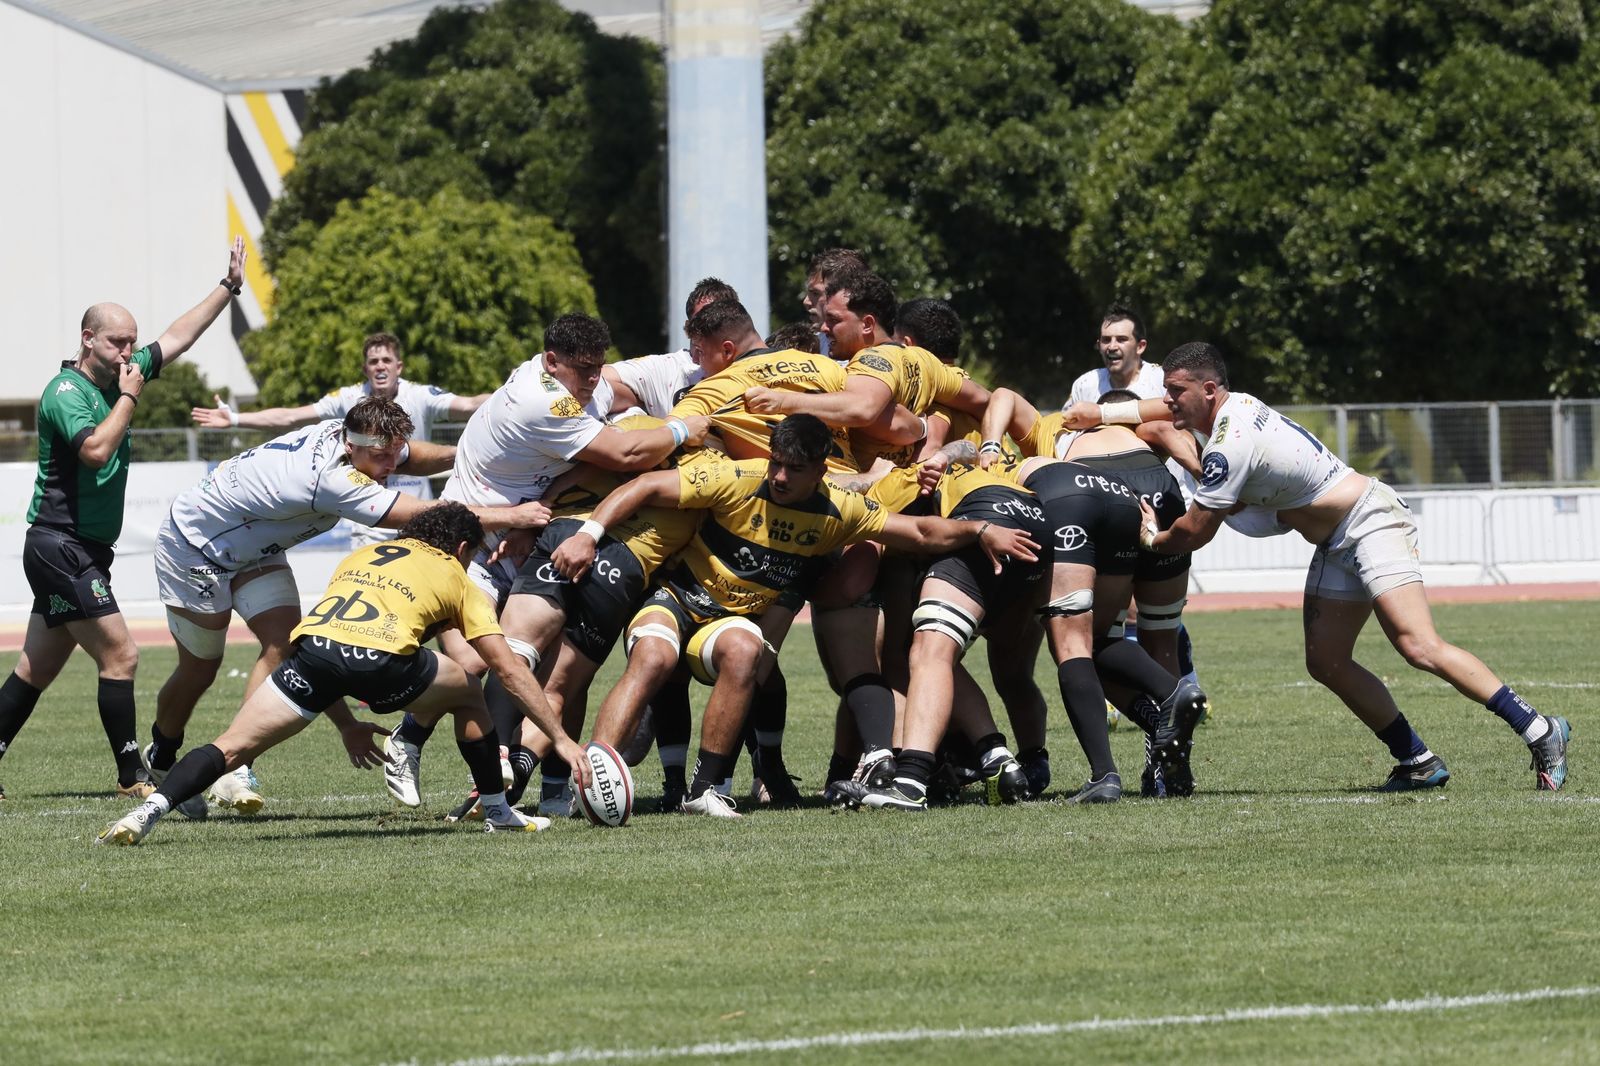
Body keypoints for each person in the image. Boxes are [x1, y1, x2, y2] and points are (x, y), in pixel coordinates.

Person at [553, 415, 1040, 818]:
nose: (781, 477)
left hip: (731, 620)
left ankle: (705, 790)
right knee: (655, 657)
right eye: (777, 464)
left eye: (795, 469)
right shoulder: (735, 479)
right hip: (676, 600)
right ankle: (592, 782)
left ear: (820, 470)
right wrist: (588, 534)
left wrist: (980, 530)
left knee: (747, 650)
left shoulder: (839, 509)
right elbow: (643, 485)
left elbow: (919, 531)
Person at [1134, 341, 1571, 791]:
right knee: (1326, 660)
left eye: (1174, 391)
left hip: (1369, 520)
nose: (1167, 400)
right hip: (1336, 538)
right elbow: (1159, 422)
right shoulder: (1234, 407)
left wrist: (1152, 538)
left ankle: (1540, 730)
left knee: (1418, 645)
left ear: (1208, 390)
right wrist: (1102, 415)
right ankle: (1416, 760)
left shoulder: (1229, 443)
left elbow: (1195, 533)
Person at [147, 397, 552, 814]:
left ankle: (236, 767)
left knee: (285, 643)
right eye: (380, 458)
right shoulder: (331, 478)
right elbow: (418, 514)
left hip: (255, 547)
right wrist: (512, 516)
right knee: (201, 668)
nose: (390, 467)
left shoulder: (356, 438)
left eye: (393, 454)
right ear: (352, 445)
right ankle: (161, 754)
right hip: (196, 545)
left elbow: (410, 457)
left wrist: (469, 453)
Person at [98, 503, 590, 845]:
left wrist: (347, 725)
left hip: (314, 655)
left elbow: (334, 651)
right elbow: (505, 667)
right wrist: (561, 739)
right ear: (462, 548)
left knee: (232, 746)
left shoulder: (361, 556)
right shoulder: (454, 574)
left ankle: (146, 812)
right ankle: (499, 812)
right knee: (467, 691)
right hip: (382, 663)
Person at [0, 238, 245, 802]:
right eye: (117, 342)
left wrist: (228, 287)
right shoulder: (66, 392)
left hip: (79, 549)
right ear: (89, 340)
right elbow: (95, 451)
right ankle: (132, 775)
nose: (128, 352)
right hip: (60, 544)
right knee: (122, 656)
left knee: (35, 668)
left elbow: (180, 336)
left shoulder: (120, 375)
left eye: (133, 342)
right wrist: (130, 397)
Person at [191, 331, 490, 544]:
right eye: (373, 362)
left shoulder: (420, 395)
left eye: (387, 360)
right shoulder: (347, 397)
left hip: (415, 510)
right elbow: (291, 416)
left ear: (399, 367)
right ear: (365, 369)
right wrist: (236, 419)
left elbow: (469, 404)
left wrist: (514, 396)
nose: (380, 366)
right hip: (368, 518)